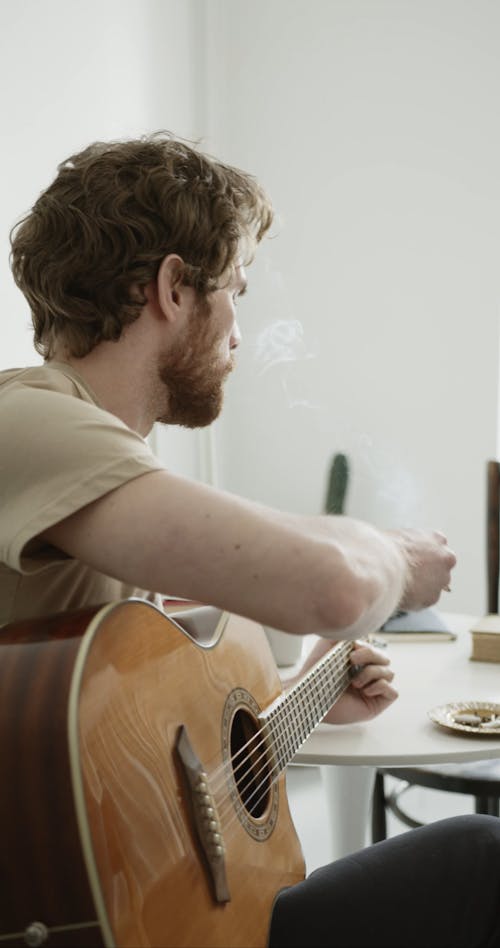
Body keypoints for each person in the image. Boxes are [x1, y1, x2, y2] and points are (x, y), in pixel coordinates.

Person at [1, 132, 498, 948]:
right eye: (234, 288)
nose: (238, 328)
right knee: (482, 859)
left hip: (142, 914)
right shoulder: (26, 420)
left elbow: (133, 770)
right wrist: (397, 560)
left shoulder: (91, 460)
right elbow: (333, 589)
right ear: (172, 288)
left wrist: (289, 707)